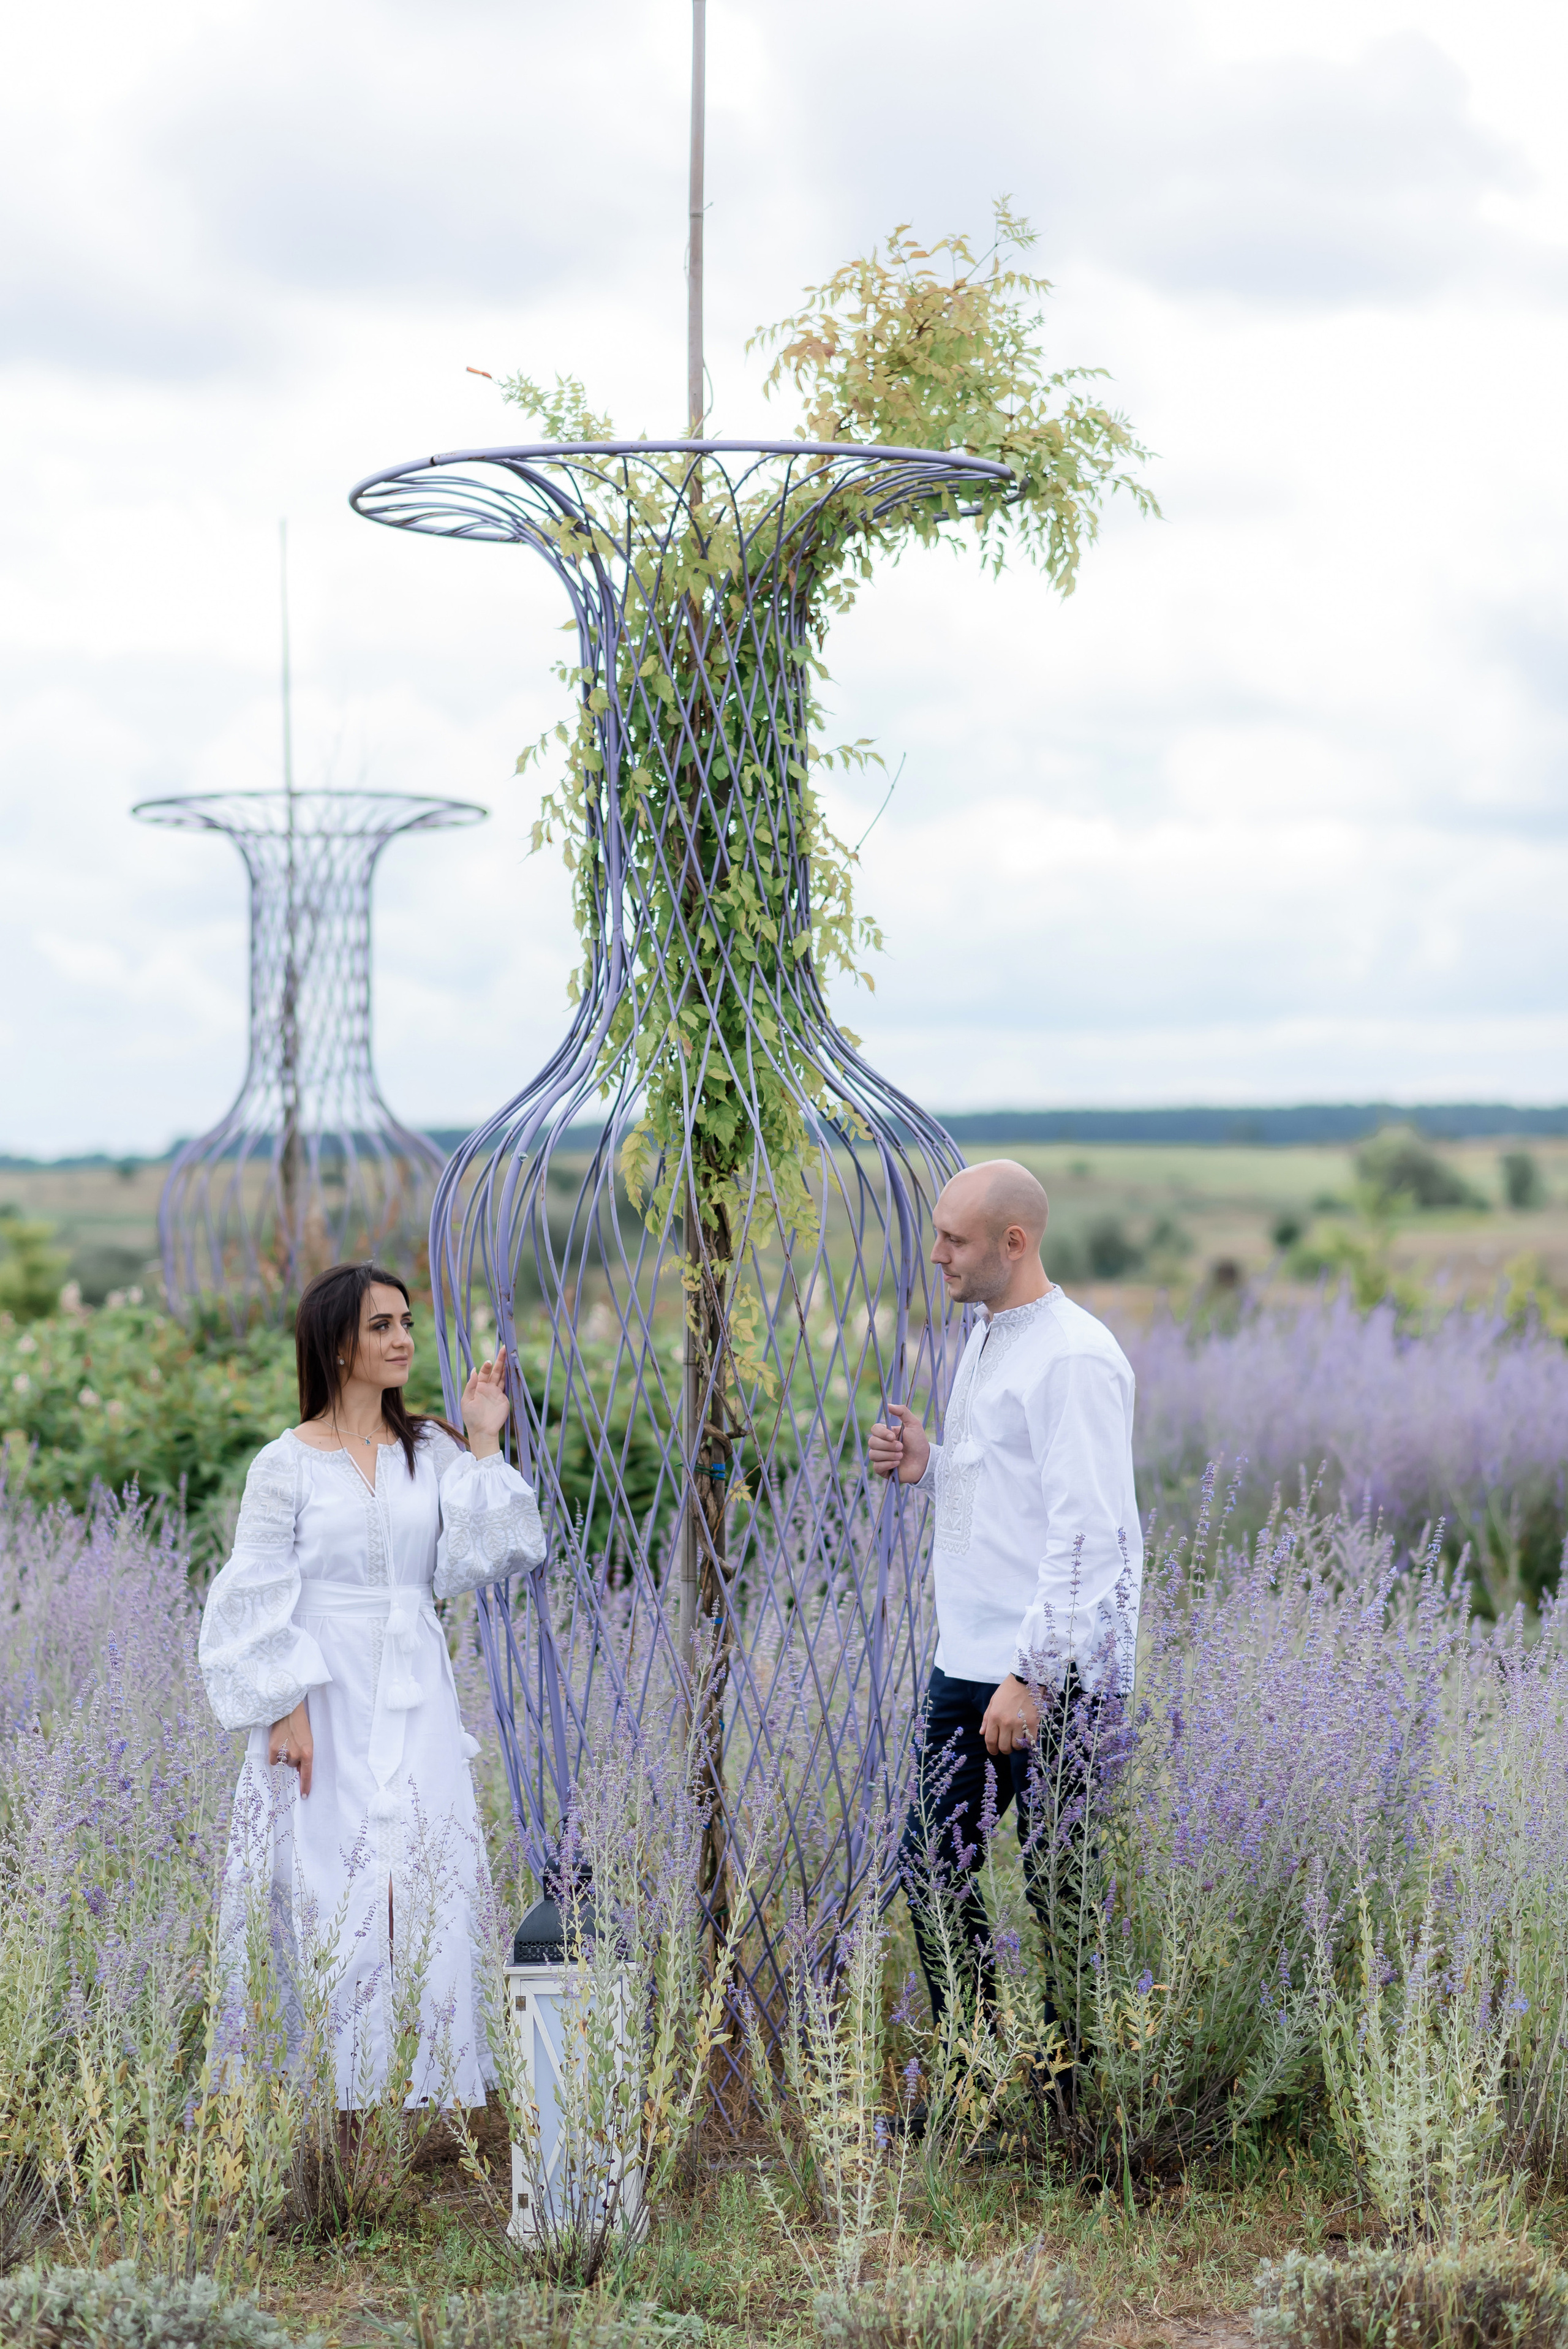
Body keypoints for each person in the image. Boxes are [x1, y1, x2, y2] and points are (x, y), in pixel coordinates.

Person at [199, 1259, 546, 2111]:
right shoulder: (284, 1464)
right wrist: (286, 1709)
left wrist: (486, 1435)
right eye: (381, 1325)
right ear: (337, 1344)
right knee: (325, 1878)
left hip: (414, 1683)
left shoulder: (429, 1448)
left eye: (406, 1324)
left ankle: (424, 2093)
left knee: (420, 1873)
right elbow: (256, 1589)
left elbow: (490, 1552)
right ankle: (325, 2094)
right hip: (322, 1689)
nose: (402, 1339)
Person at [869, 1159, 1142, 2030]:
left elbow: (1085, 1533)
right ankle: (972, 2082)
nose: (937, 1254)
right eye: (939, 1233)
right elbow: (1007, 1491)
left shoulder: (1074, 1358)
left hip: (1047, 1671)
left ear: (1014, 1243)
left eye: (956, 1239)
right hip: (971, 1656)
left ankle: (1074, 2112)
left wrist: (1032, 1673)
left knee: (1059, 1886)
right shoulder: (989, 1334)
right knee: (933, 1867)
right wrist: (929, 1467)